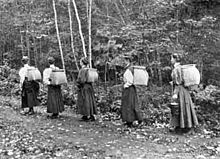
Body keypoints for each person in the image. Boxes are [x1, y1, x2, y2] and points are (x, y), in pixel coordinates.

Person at [169, 53, 199, 133]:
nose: (171, 60)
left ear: (175, 59)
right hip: (184, 90)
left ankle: (182, 127)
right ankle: (183, 126)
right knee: (184, 107)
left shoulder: (177, 69)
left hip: (179, 89)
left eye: (171, 58)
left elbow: (178, 81)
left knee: (178, 107)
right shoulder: (181, 68)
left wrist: (174, 87)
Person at [121, 55, 143, 127]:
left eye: (125, 60)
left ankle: (130, 121)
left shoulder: (129, 69)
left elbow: (130, 81)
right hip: (131, 89)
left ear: (128, 61)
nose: (124, 62)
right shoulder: (130, 68)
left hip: (129, 89)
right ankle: (129, 120)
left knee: (129, 105)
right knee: (131, 104)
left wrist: (125, 85)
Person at [77, 57, 97, 121]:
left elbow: (82, 80)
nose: (80, 63)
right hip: (89, 87)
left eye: (80, 62)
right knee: (90, 100)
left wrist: (78, 85)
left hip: (84, 87)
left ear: (82, 63)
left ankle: (87, 115)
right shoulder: (89, 69)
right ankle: (89, 115)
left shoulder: (82, 70)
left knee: (85, 101)